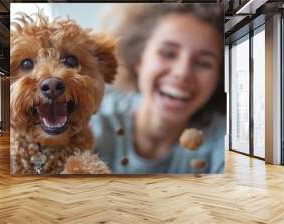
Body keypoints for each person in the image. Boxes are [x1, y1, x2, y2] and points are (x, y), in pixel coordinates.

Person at [90, 4, 226, 173]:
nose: (182, 73)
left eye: (203, 63)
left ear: (220, 78)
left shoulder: (225, 141)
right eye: (168, 53)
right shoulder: (90, 120)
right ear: (139, 59)